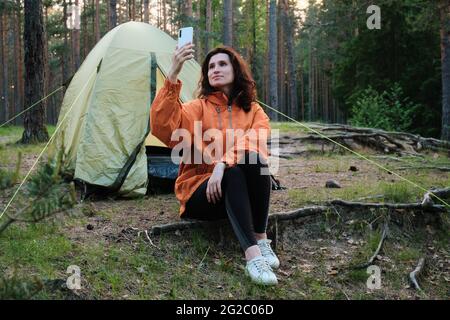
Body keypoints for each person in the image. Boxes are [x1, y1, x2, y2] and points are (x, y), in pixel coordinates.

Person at [150, 43, 279, 285]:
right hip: (199, 191)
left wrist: (222, 164)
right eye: (210, 66)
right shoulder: (197, 108)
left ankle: (261, 240)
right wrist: (173, 73)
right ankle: (253, 258)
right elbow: (162, 126)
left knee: (254, 161)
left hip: (236, 193)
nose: (215, 69)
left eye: (222, 64)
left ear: (236, 70)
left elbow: (256, 141)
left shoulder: (254, 111)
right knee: (234, 174)